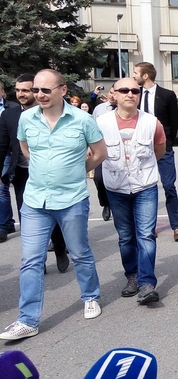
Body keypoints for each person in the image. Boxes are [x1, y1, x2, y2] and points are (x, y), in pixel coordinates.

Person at [0, 69, 107, 340]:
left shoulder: (82, 120)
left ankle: (90, 296)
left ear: (62, 90)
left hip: (71, 199)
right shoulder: (26, 118)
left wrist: (76, 171)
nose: (39, 95)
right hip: (35, 201)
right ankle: (28, 320)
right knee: (31, 260)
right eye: (36, 90)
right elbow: (26, 149)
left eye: (46, 90)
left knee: (79, 252)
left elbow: (100, 153)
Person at [96, 78, 166, 306]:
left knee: (146, 235)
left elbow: (159, 150)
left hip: (145, 187)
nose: (130, 94)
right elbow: (94, 152)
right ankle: (132, 276)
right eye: (124, 90)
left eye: (135, 91)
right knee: (126, 236)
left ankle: (147, 284)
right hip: (116, 188)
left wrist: (141, 171)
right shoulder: (101, 122)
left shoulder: (152, 123)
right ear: (113, 94)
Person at [0, 74, 69, 273]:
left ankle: (60, 249)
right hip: (23, 174)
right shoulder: (9, 115)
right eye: (17, 90)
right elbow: (2, 146)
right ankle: (38, 260)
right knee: (28, 218)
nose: (20, 94)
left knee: (54, 213)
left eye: (26, 90)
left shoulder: (51, 110)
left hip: (52, 174)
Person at [133, 62, 178, 241]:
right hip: (141, 148)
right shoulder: (135, 94)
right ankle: (149, 226)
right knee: (146, 188)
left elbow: (174, 122)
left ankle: (176, 226)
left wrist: (168, 142)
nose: (133, 76)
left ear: (145, 75)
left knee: (169, 186)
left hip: (163, 147)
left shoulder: (167, 95)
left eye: (136, 73)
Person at [91, 86, 116, 221]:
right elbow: (92, 128)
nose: (112, 96)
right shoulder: (99, 109)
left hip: (118, 150)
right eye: (110, 92)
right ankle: (105, 203)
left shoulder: (124, 109)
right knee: (99, 178)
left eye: (115, 93)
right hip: (101, 149)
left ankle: (117, 204)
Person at [0, 80, 20, 241]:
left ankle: (3, 226)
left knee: (2, 188)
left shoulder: (13, 109)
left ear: (2, 92)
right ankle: (7, 222)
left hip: (7, 153)